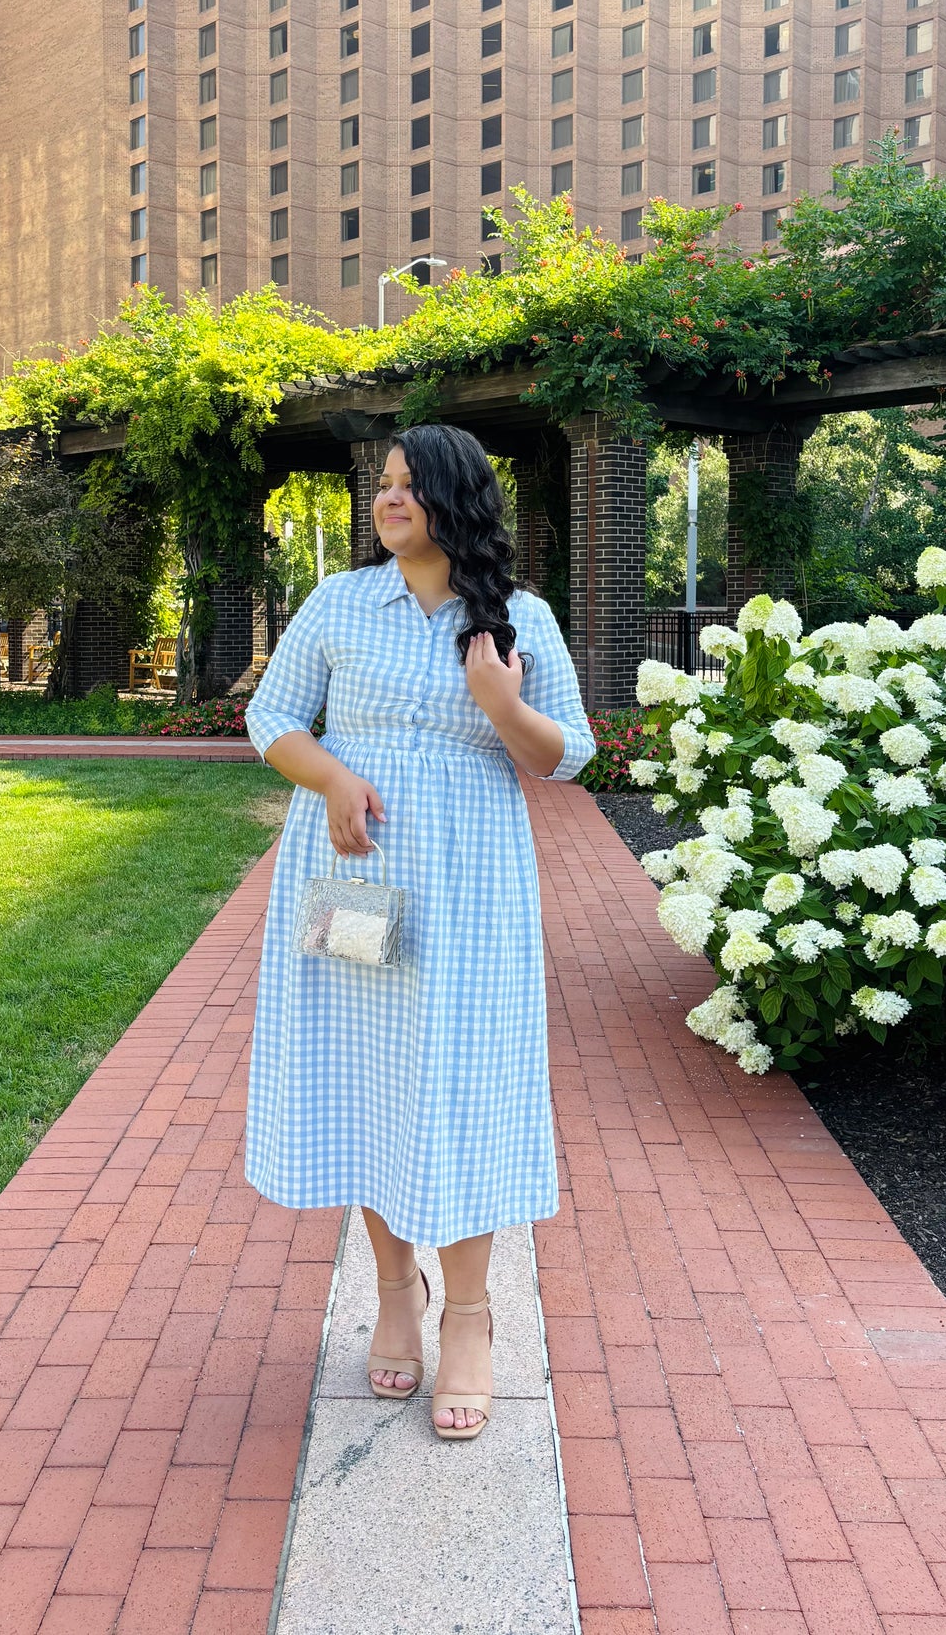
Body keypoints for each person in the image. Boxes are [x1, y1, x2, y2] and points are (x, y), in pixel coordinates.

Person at [243, 425, 594, 1440]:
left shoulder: (516, 618)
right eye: (381, 486)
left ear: (455, 499)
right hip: (350, 883)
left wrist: (497, 700)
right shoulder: (341, 602)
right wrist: (333, 777)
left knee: (464, 1085)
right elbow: (272, 719)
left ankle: (473, 1317)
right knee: (369, 1080)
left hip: (471, 895)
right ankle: (395, 1292)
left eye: (406, 486)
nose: (385, 500)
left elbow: (566, 755)